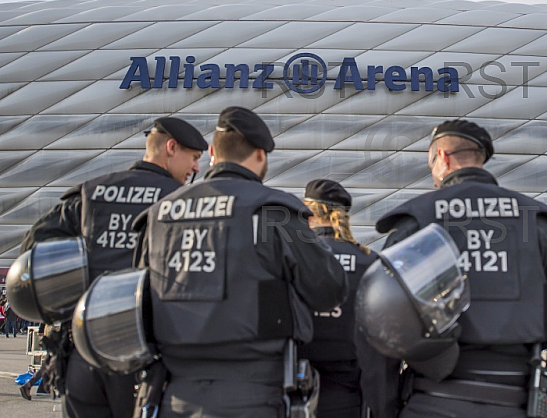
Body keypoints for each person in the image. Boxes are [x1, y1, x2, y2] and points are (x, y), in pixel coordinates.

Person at [134, 106, 349, 418]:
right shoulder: (272, 212)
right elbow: (328, 288)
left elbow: (138, 300)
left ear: (211, 153)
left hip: (174, 395)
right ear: (260, 155)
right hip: (254, 394)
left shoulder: (160, 214)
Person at [374, 119, 547, 418]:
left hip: (431, 399)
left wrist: (386, 407)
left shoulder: (417, 221)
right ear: (481, 158)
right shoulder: (534, 221)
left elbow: (382, 326)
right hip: (515, 398)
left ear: (443, 158)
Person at [20, 116, 208, 418]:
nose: (197, 168)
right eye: (195, 158)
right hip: (149, 360)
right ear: (171, 148)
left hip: (84, 356)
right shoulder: (182, 201)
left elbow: (34, 247)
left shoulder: (92, 193)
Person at [299, 179, 399, 417]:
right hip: (351, 391)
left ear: (309, 214)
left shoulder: (296, 257)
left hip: (298, 388)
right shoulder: (370, 261)